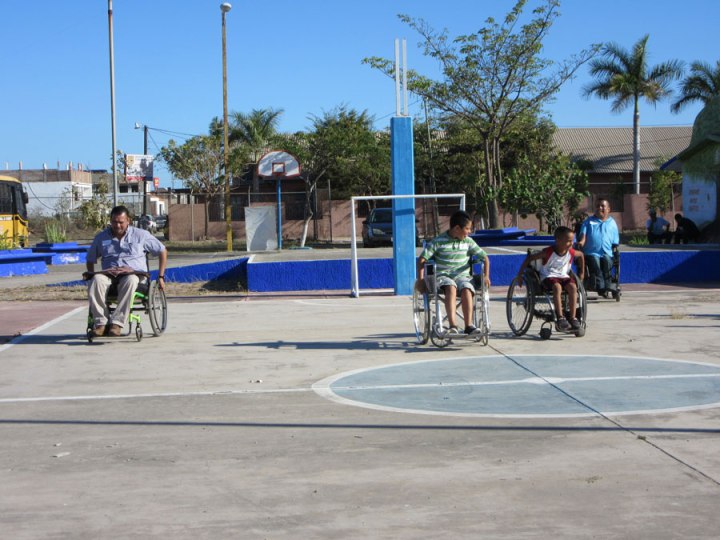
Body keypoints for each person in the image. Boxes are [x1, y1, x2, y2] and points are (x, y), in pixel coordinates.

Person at [84, 205, 167, 337]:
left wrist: (161, 276)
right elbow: (90, 259)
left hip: (134, 274)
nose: (117, 225)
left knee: (131, 280)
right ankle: (101, 323)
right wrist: (91, 275)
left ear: (128, 220)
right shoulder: (101, 237)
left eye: (121, 222)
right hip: (110, 274)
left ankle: (116, 323)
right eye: (114, 222)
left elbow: (162, 251)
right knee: (96, 280)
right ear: (110, 221)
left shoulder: (141, 235)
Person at [416, 210, 490, 335]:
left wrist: (486, 275)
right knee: (451, 287)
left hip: (463, 276)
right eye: (467, 228)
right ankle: (452, 325)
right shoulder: (438, 241)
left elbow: (485, 258)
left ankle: (469, 326)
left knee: (467, 288)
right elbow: (422, 259)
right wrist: (421, 279)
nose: (469, 232)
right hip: (443, 276)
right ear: (457, 228)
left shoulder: (468, 242)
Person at [516, 226, 585, 332]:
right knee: (557, 287)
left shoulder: (570, 252)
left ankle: (572, 318)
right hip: (549, 277)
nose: (571, 243)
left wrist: (582, 272)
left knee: (573, 287)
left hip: (563, 276)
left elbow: (581, 255)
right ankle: (560, 317)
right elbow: (529, 259)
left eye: (572, 241)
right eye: (568, 241)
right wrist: (520, 275)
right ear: (558, 240)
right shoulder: (548, 252)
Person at [577, 198, 619, 296]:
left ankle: (607, 285)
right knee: (595, 261)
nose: (600, 208)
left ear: (608, 209)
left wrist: (615, 249)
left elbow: (615, 241)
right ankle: (600, 286)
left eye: (602, 206)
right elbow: (583, 236)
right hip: (591, 252)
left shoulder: (612, 223)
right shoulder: (588, 222)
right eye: (597, 206)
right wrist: (581, 242)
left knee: (608, 260)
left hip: (606, 252)